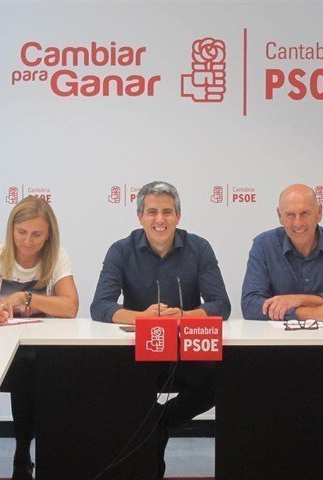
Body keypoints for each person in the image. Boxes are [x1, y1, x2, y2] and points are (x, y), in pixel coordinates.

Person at [90, 180, 230, 477]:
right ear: (140, 216)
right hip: (140, 350)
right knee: (116, 385)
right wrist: (142, 318)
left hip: (185, 350)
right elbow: (100, 305)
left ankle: (160, 423)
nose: (160, 219)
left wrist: (184, 316)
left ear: (178, 216)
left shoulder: (199, 248)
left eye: (167, 212)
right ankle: (150, 440)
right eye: (152, 212)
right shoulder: (121, 250)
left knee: (219, 380)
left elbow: (221, 305)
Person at [0, 195, 79, 480]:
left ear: (49, 235)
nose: (28, 241)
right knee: (21, 371)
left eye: (37, 234)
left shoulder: (57, 257)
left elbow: (70, 307)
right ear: (11, 230)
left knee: (35, 370)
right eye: (21, 232)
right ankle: (20, 454)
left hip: (39, 352)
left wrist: (27, 297)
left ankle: (25, 453)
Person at [241, 183, 323, 425]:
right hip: (279, 348)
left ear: (319, 212)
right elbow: (250, 303)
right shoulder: (264, 244)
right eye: (290, 214)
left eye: (305, 213)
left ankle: (313, 436)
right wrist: (311, 312)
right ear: (279, 216)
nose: (298, 222)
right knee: (251, 381)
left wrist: (301, 298)